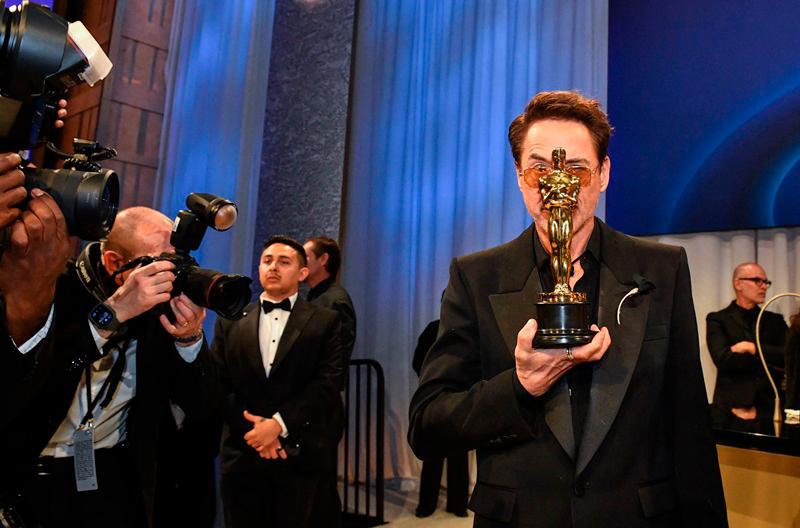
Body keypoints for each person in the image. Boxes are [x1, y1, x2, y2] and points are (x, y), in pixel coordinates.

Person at [408, 91, 727, 527]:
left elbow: (689, 424)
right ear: (520, 177)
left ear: (604, 174)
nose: (557, 185)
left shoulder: (662, 269)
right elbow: (428, 425)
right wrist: (519, 387)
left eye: (576, 168)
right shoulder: (476, 276)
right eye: (540, 168)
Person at [0, 206, 213, 528]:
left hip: (113, 473)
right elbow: (26, 381)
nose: (171, 274)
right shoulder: (52, 289)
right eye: (159, 264)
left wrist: (189, 340)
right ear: (114, 262)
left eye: (177, 261)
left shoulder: (161, 303)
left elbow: (200, 405)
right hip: (27, 474)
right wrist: (112, 314)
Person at [211, 235, 346, 528]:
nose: (273, 267)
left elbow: (327, 382)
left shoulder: (325, 320)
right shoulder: (230, 319)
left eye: (284, 262)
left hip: (298, 450)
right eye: (267, 261)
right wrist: (256, 431)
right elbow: (219, 383)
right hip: (243, 450)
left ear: (302, 273)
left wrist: (278, 424)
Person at [706, 263, 787, 434]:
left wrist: (753, 348)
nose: (764, 286)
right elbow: (723, 360)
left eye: (766, 282)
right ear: (738, 284)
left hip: (769, 412)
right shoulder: (718, 319)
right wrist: (767, 357)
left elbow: (788, 358)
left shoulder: (775, 321)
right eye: (757, 280)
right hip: (729, 413)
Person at [412, 316, 468, 518]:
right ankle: (449, 505)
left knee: (451, 454)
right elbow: (418, 360)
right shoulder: (437, 329)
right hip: (445, 396)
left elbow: (417, 361)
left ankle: (441, 505)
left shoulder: (439, 328)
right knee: (440, 453)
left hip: (452, 396)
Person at [304, 236, 356, 367]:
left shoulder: (335, 301)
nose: (300, 263)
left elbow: (338, 358)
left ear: (323, 259)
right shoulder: (315, 296)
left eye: (305, 257)